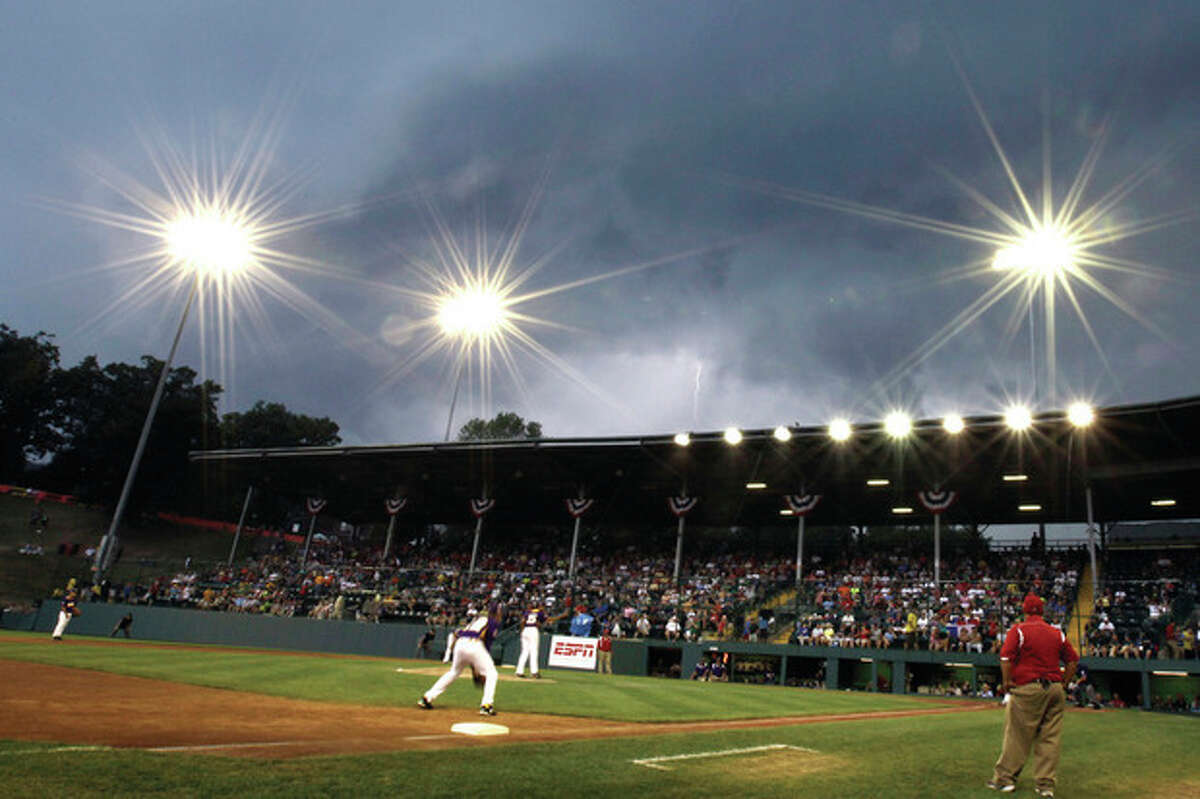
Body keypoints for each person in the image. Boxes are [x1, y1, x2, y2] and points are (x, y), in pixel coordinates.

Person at [987, 593, 1079, 797]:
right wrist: (1064, 683)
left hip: (1028, 687)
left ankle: (1005, 780)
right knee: (1050, 738)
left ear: (1025, 610)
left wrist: (1007, 682)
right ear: (1042, 611)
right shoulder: (1056, 633)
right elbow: (1073, 660)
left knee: (1017, 736)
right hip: (1054, 688)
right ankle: (1045, 785)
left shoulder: (1019, 629)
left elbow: (1005, 657)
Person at [419, 600, 504, 716]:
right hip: (474, 644)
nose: (500, 614)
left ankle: (426, 698)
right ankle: (486, 705)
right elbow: (486, 646)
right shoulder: (492, 622)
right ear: (495, 612)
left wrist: (475, 668)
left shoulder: (477, 620)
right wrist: (476, 670)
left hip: (460, 643)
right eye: (499, 611)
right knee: (492, 674)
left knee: (453, 672)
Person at [515, 602, 546, 678]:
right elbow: (545, 620)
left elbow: (522, 621)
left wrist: (522, 631)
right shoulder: (539, 612)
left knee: (524, 652)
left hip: (525, 630)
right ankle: (534, 672)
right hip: (533, 630)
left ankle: (519, 671)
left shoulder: (527, 612)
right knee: (534, 651)